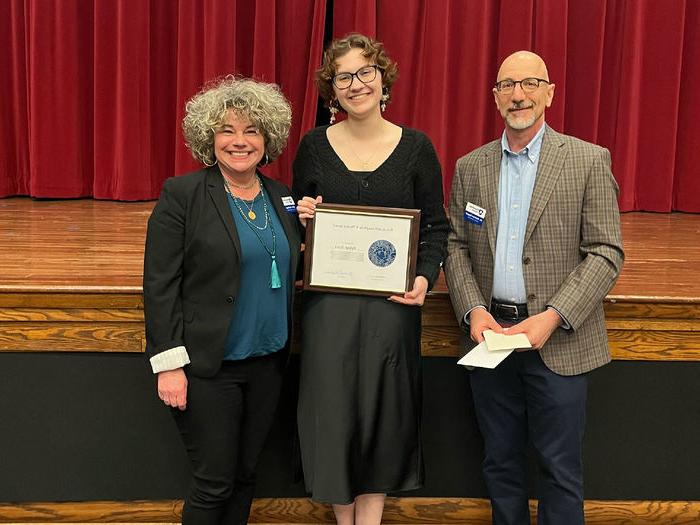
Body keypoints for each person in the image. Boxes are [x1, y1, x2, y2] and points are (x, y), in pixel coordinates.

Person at [444, 51, 624, 524]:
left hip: (559, 340)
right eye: (507, 85)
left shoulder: (587, 160)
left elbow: (606, 252)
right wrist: (473, 311)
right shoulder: (471, 167)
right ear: (495, 97)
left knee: (559, 470)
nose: (518, 95)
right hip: (491, 340)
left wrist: (552, 316)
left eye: (529, 84)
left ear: (549, 92)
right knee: (499, 464)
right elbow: (457, 246)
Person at [292, 33, 449, 524]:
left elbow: (437, 226)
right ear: (331, 89)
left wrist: (424, 278)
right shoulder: (314, 146)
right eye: (344, 77)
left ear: (383, 79)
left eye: (366, 72)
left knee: (384, 414)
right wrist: (302, 216)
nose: (356, 84)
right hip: (330, 308)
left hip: (392, 305)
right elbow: (297, 219)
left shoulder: (417, 148)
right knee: (334, 416)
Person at [143, 76, 300, 525]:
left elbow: (288, 263)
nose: (239, 141)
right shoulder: (183, 195)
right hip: (209, 366)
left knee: (246, 475)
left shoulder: (281, 196)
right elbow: (159, 284)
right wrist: (169, 363)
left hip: (268, 362)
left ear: (267, 138)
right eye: (227, 130)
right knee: (214, 482)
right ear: (208, 137)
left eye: (252, 130)